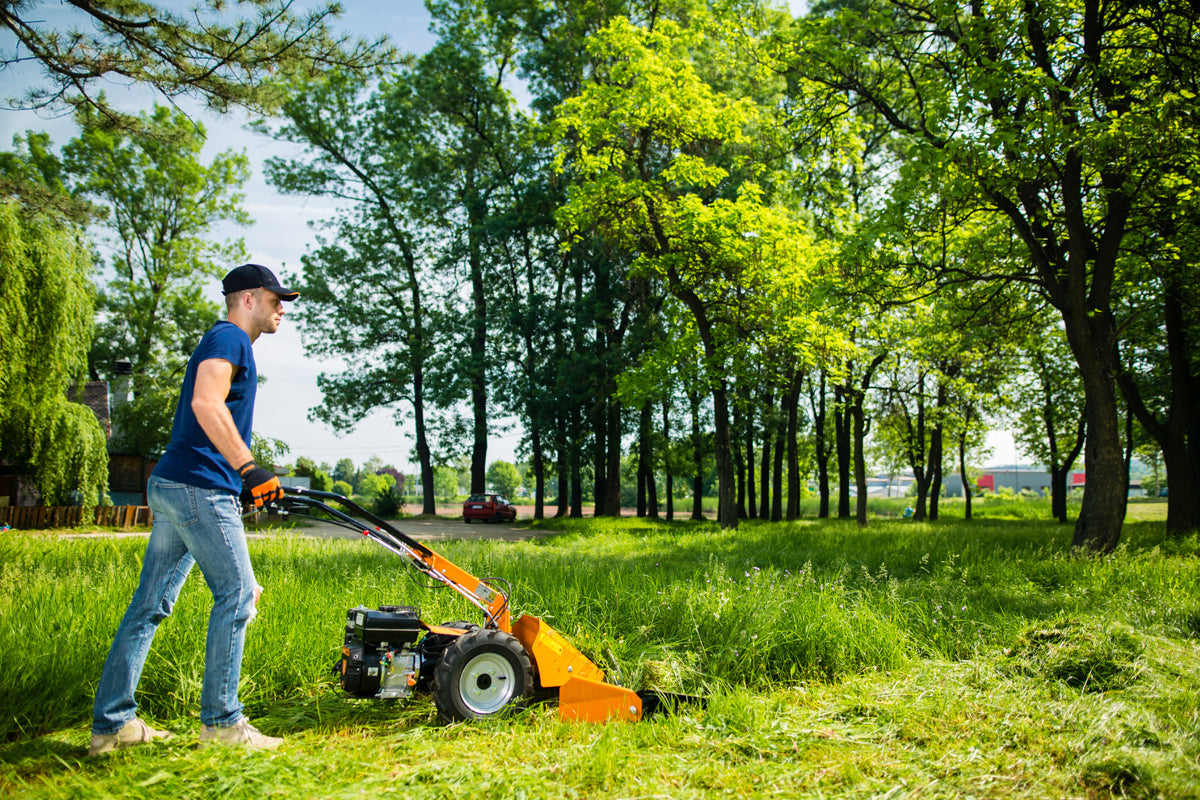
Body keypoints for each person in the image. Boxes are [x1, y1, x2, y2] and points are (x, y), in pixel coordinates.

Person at [88, 264, 298, 756]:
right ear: (248, 299)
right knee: (239, 595)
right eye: (274, 300)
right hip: (198, 488)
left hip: (173, 482)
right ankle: (223, 724)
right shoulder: (230, 339)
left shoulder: (221, 340)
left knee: (149, 605)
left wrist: (239, 479)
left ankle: (112, 725)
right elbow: (208, 403)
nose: (280, 309)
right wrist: (248, 469)